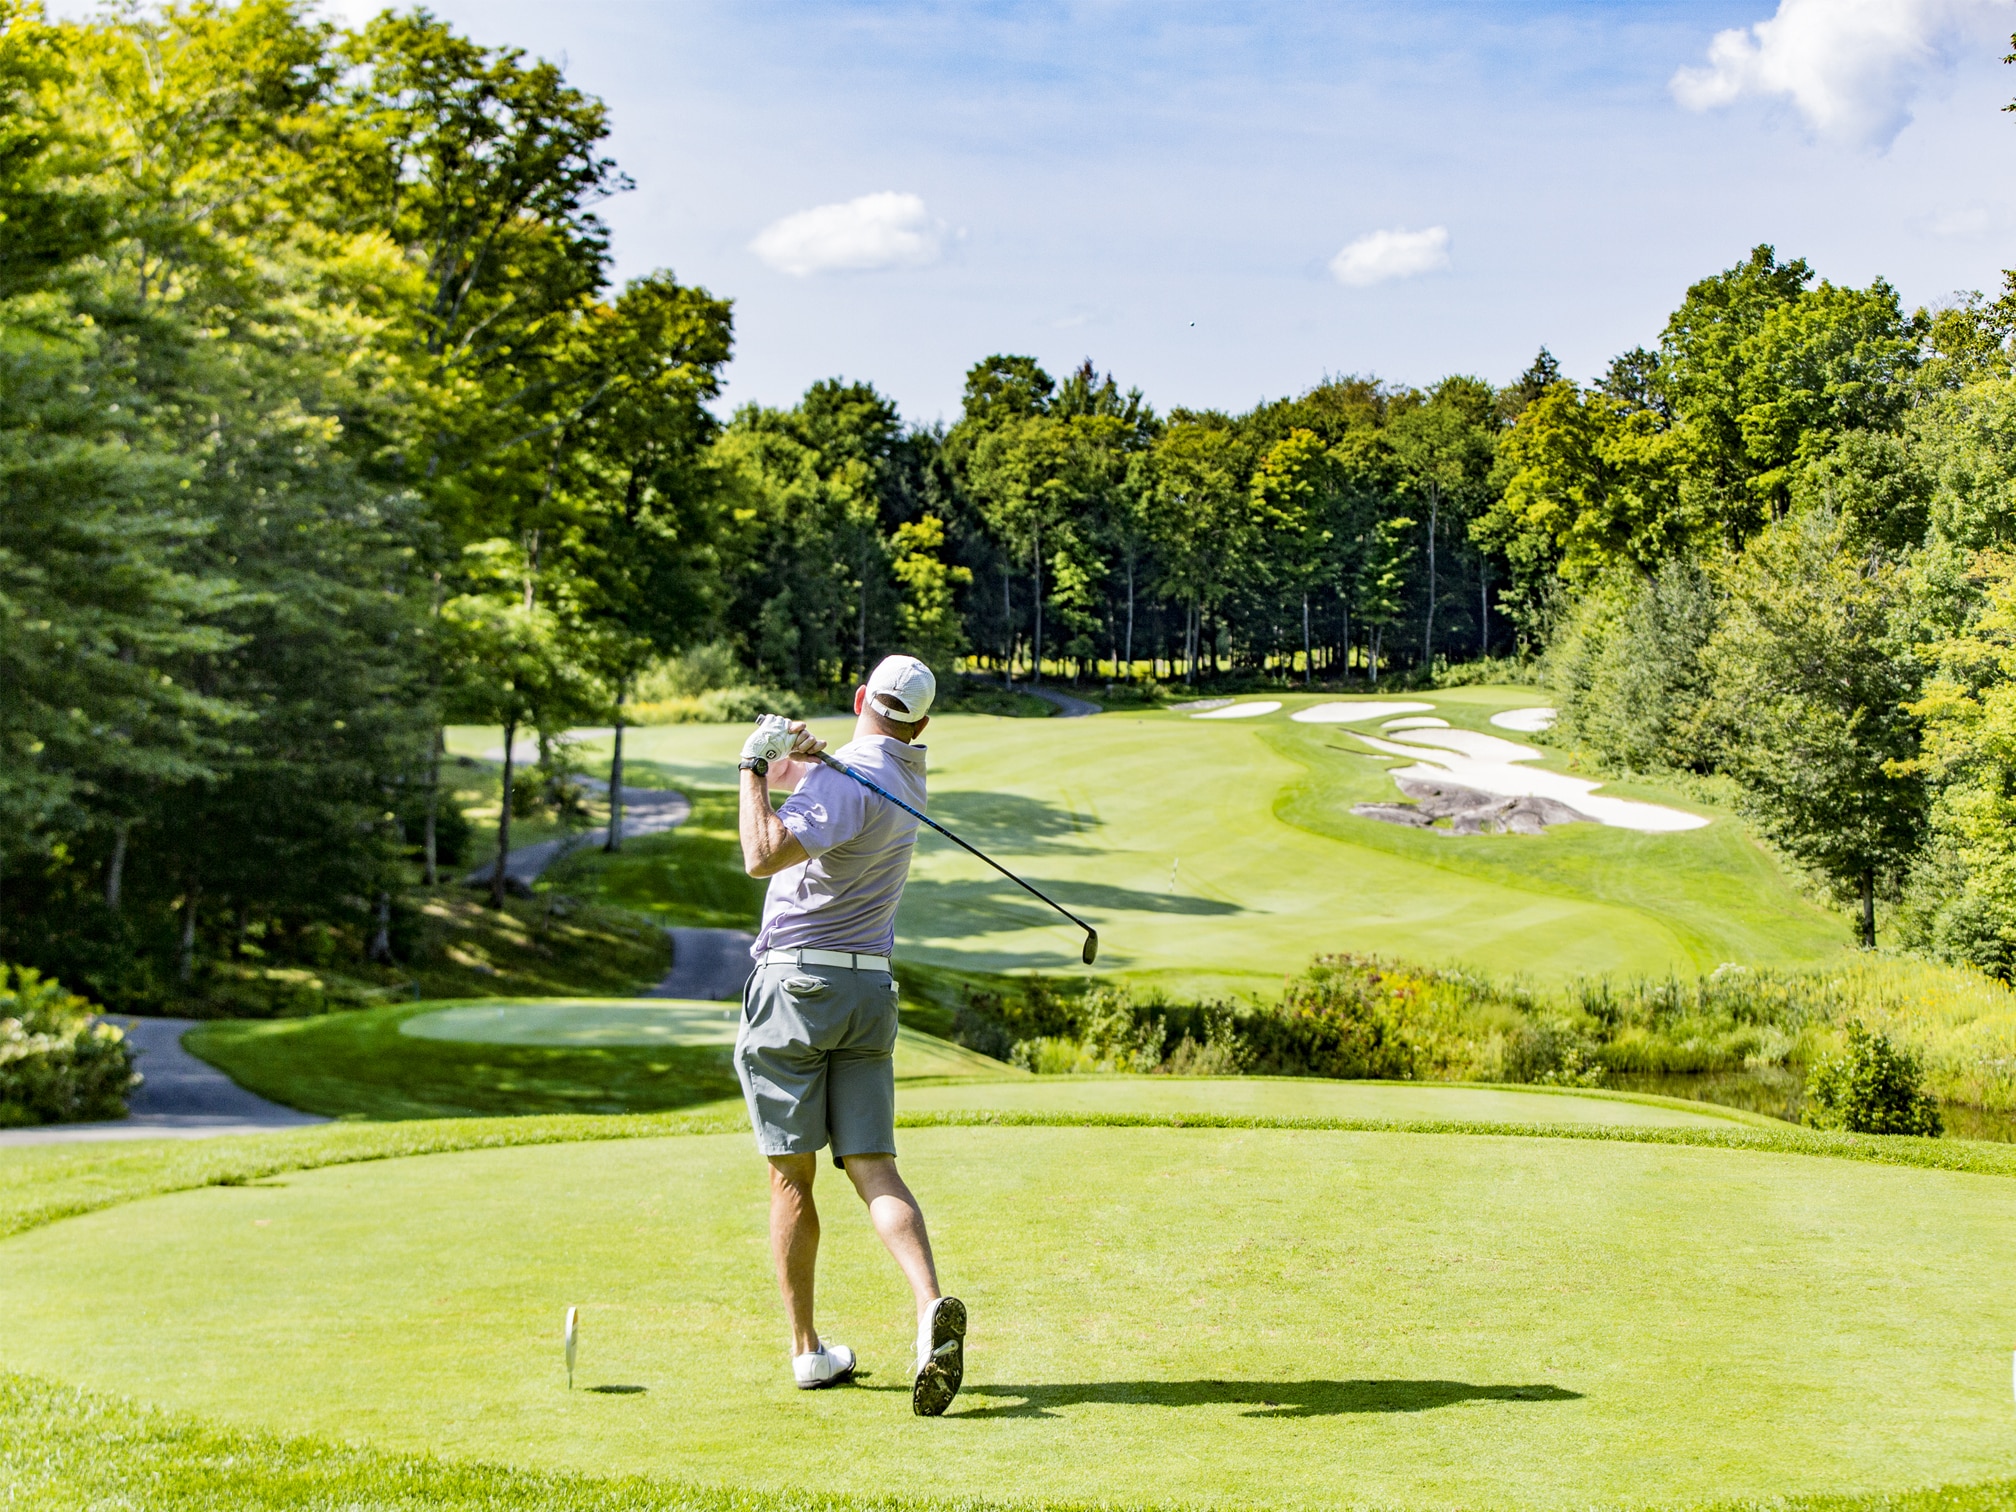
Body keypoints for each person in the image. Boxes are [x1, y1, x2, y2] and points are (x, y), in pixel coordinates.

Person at [734, 653, 966, 1416]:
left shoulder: (848, 776)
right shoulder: (904, 772)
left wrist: (751, 765)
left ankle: (806, 1353)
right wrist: (804, 757)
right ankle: (930, 1305)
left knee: (792, 1178)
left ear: (863, 696)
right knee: (873, 1166)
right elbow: (833, 788)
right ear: (921, 722)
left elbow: (762, 853)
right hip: (869, 988)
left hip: (798, 988)